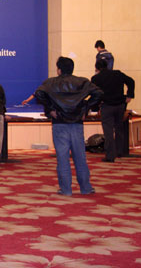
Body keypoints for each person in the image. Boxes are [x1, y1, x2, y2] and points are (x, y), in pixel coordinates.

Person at [35, 56, 102, 196]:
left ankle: (66, 189)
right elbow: (98, 93)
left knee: (62, 158)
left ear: (59, 69)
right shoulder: (82, 82)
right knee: (80, 157)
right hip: (77, 122)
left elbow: (39, 94)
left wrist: (50, 108)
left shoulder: (50, 82)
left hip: (59, 122)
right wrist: (86, 108)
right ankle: (86, 188)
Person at [91, 59, 135, 162]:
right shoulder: (117, 74)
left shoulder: (96, 78)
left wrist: (95, 108)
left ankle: (110, 155)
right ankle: (120, 151)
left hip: (107, 106)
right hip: (120, 105)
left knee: (108, 131)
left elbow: (95, 94)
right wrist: (129, 95)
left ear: (97, 68)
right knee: (119, 128)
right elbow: (131, 81)